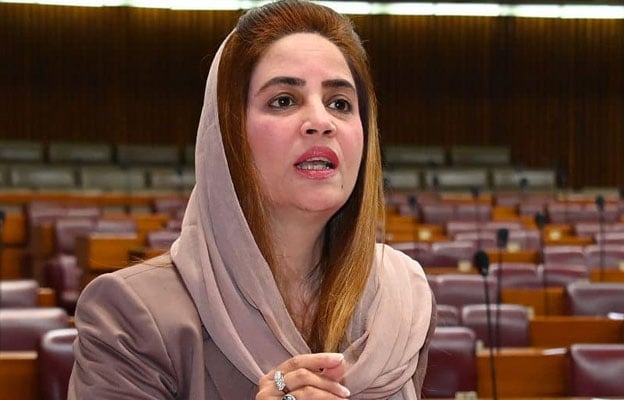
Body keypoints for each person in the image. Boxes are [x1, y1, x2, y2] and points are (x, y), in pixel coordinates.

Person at [67, 1, 435, 399]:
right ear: (228, 136)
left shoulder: (401, 303)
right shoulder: (131, 314)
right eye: (283, 100)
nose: (321, 121)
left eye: (340, 103)